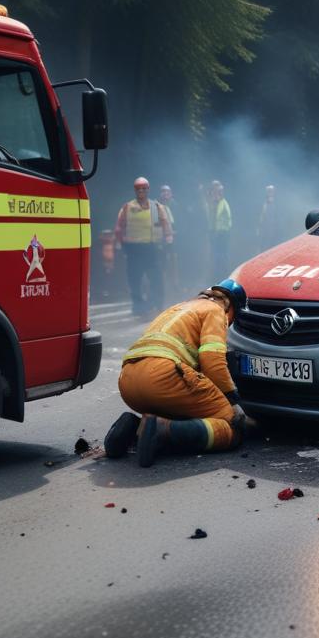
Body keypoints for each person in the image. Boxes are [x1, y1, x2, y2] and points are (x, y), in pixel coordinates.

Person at [103, 279, 254, 467]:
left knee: (186, 414)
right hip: (163, 377)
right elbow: (212, 360)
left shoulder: (178, 308)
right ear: (230, 306)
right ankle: (161, 431)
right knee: (231, 426)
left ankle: (135, 427)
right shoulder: (216, 311)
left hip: (128, 381)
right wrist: (232, 399)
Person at [114, 177, 173, 316]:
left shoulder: (155, 207)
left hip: (152, 248)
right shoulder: (128, 207)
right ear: (135, 190)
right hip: (133, 249)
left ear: (148, 190)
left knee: (156, 278)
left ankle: (157, 304)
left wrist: (167, 242)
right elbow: (119, 228)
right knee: (134, 279)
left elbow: (165, 226)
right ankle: (138, 306)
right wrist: (121, 245)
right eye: (138, 189)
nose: (141, 191)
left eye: (144, 188)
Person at [157, 184, 179, 301]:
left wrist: (175, 232)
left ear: (171, 194)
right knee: (163, 262)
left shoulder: (174, 205)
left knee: (173, 261)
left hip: (173, 238)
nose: (165, 194)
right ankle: (164, 286)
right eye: (163, 192)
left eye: (167, 192)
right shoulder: (158, 206)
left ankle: (174, 285)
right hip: (162, 238)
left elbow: (178, 221)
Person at [207, 180, 232, 281]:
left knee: (222, 256)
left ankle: (222, 276)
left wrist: (223, 232)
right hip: (214, 233)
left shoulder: (223, 203)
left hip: (223, 234)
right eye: (214, 189)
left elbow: (228, 221)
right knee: (216, 256)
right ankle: (217, 276)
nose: (216, 192)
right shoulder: (213, 203)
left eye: (218, 190)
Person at [257, 184, 280, 252]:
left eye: (271, 191)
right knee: (263, 245)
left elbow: (275, 216)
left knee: (270, 245)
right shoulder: (264, 202)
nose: (269, 193)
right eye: (268, 191)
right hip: (265, 228)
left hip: (271, 228)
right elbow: (262, 215)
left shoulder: (274, 203)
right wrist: (260, 226)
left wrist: (274, 227)